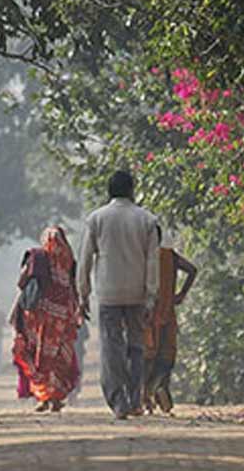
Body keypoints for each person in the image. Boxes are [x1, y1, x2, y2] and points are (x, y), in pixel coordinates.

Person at [77, 170, 159, 419]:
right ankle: (135, 399)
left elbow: (84, 261)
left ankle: (118, 402)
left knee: (111, 347)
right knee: (136, 346)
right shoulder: (147, 220)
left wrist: (83, 294)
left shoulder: (96, 219)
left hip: (108, 293)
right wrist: (151, 296)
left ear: (109, 191)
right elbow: (152, 261)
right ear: (132, 190)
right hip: (137, 293)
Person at [13, 225, 82, 412]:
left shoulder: (37, 257)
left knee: (40, 357)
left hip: (40, 319)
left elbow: (22, 283)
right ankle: (56, 398)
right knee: (60, 358)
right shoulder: (70, 261)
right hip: (62, 320)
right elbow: (74, 290)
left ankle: (44, 398)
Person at [143, 226, 198, 414]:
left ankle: (147, 396)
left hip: (149, 315)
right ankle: (160, 389)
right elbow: (192, 270)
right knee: (167, 356)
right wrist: (181, 294)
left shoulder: (143, 259)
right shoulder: (170, 256)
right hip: (168, 313)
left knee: (148, 356)